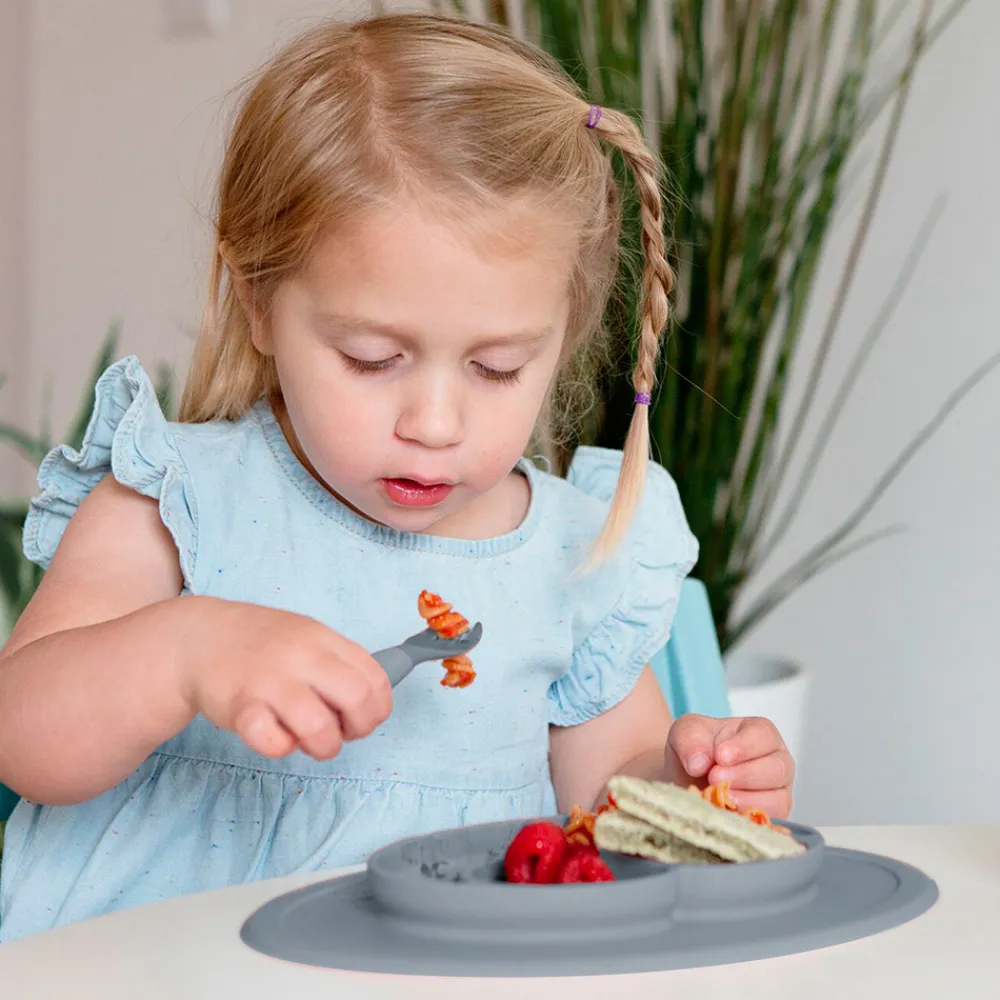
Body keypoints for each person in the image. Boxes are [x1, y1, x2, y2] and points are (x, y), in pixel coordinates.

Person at [0, 12, 793, 941]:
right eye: (374, 358)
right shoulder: (177, 502)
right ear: (258, 303)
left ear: (562, 336)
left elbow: (609, 815)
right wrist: (180, 652)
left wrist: (693, 790)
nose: (434, 424)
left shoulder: (573, 558)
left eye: (497, 369)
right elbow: (25, 739)